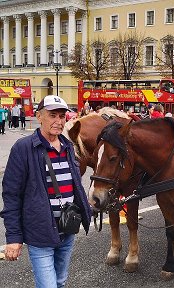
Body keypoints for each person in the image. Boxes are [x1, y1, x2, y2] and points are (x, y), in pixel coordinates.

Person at [0, 95, 91, 288]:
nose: (58, 121)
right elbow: (11, 195)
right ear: (39, 116)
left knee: (60, 281)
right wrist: (14, 237)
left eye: (62, 116)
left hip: (67, 230)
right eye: (53, 115)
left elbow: (76, 186)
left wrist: (87, 210)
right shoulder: (23, 148)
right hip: (40, 232)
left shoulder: (68, 147)